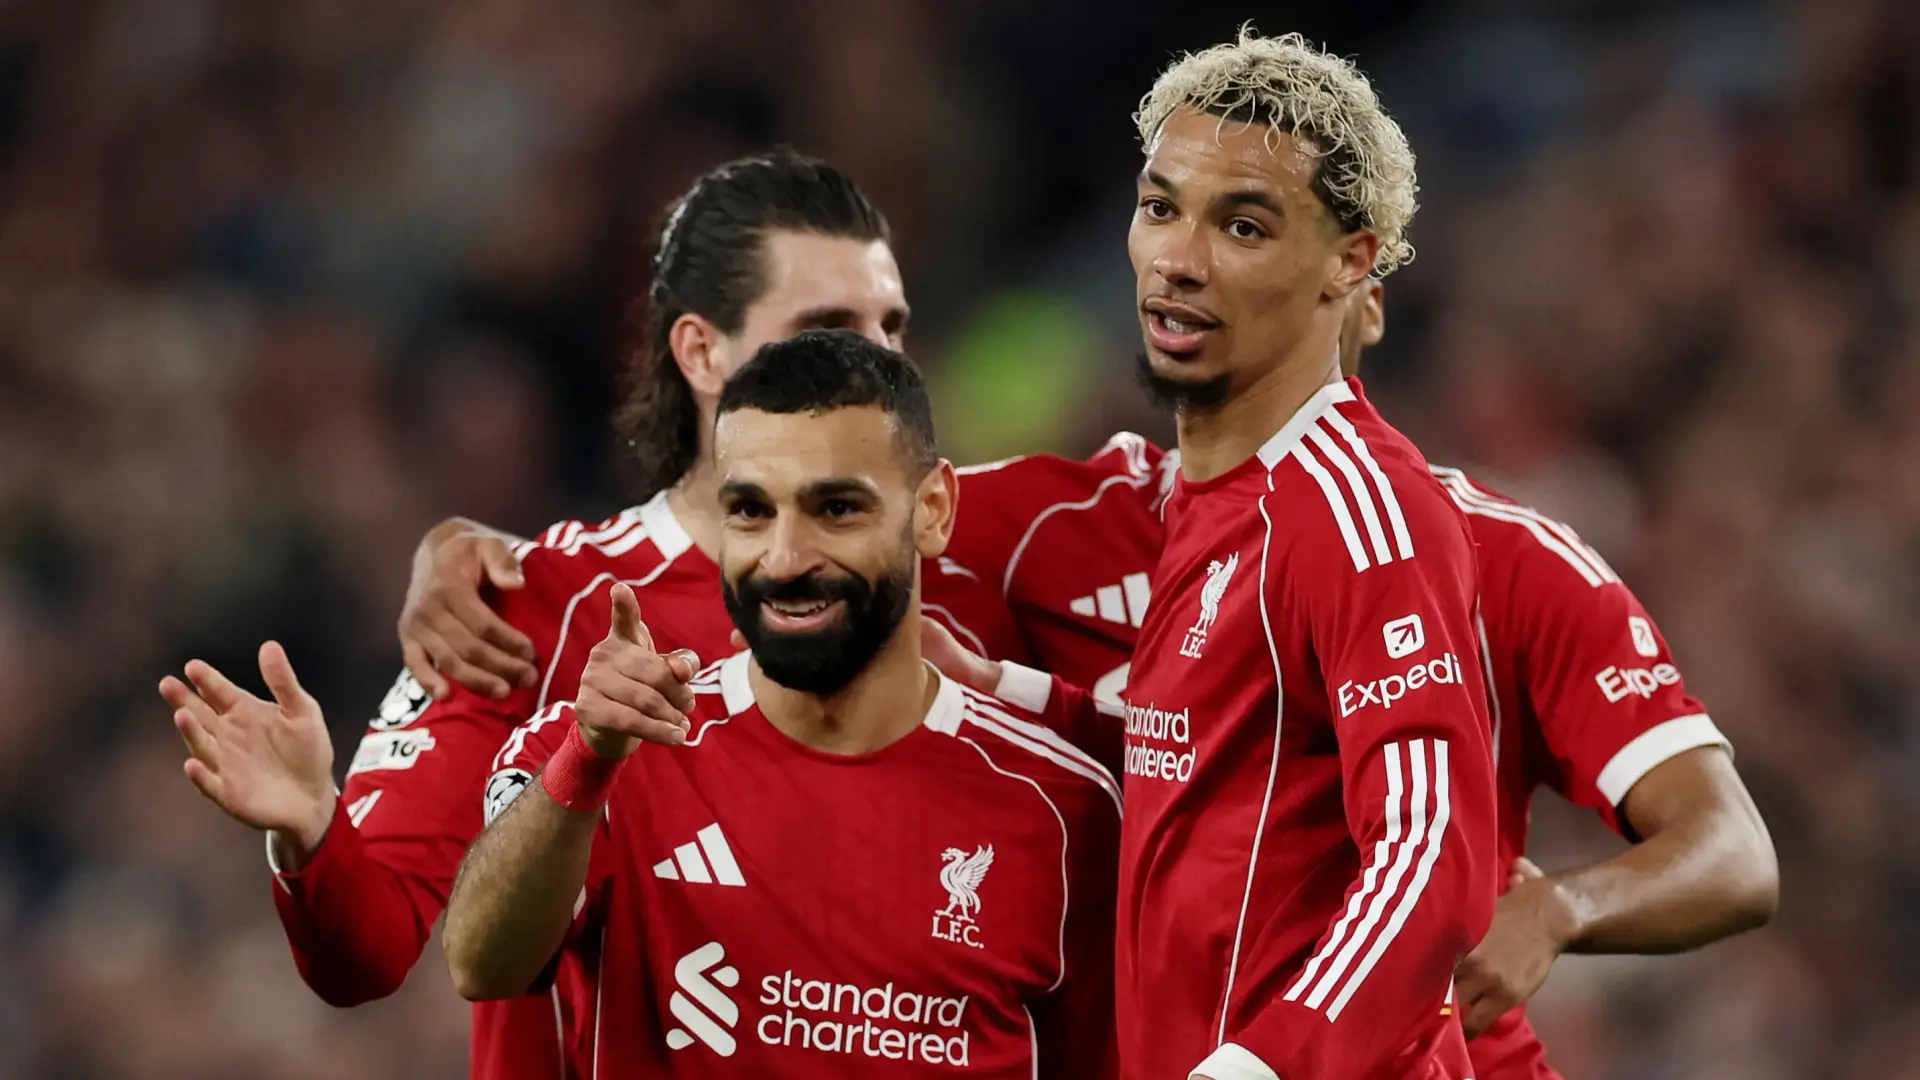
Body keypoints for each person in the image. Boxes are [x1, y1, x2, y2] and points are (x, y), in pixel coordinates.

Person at [159, 149, 1030, 1078]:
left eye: (891, 326)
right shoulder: (534, 604)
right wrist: (308, 833)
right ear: (701, 352)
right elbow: (366, 952)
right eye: (827, 326)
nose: (876, 360)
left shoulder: (960, 579)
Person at [443, 330, 1121, 1076]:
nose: (786, 559)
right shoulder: (609, 752)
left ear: (931, 510)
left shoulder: (1066, 807)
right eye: (751, 511)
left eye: (836, 509)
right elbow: (482, 964)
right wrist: (585, 762)